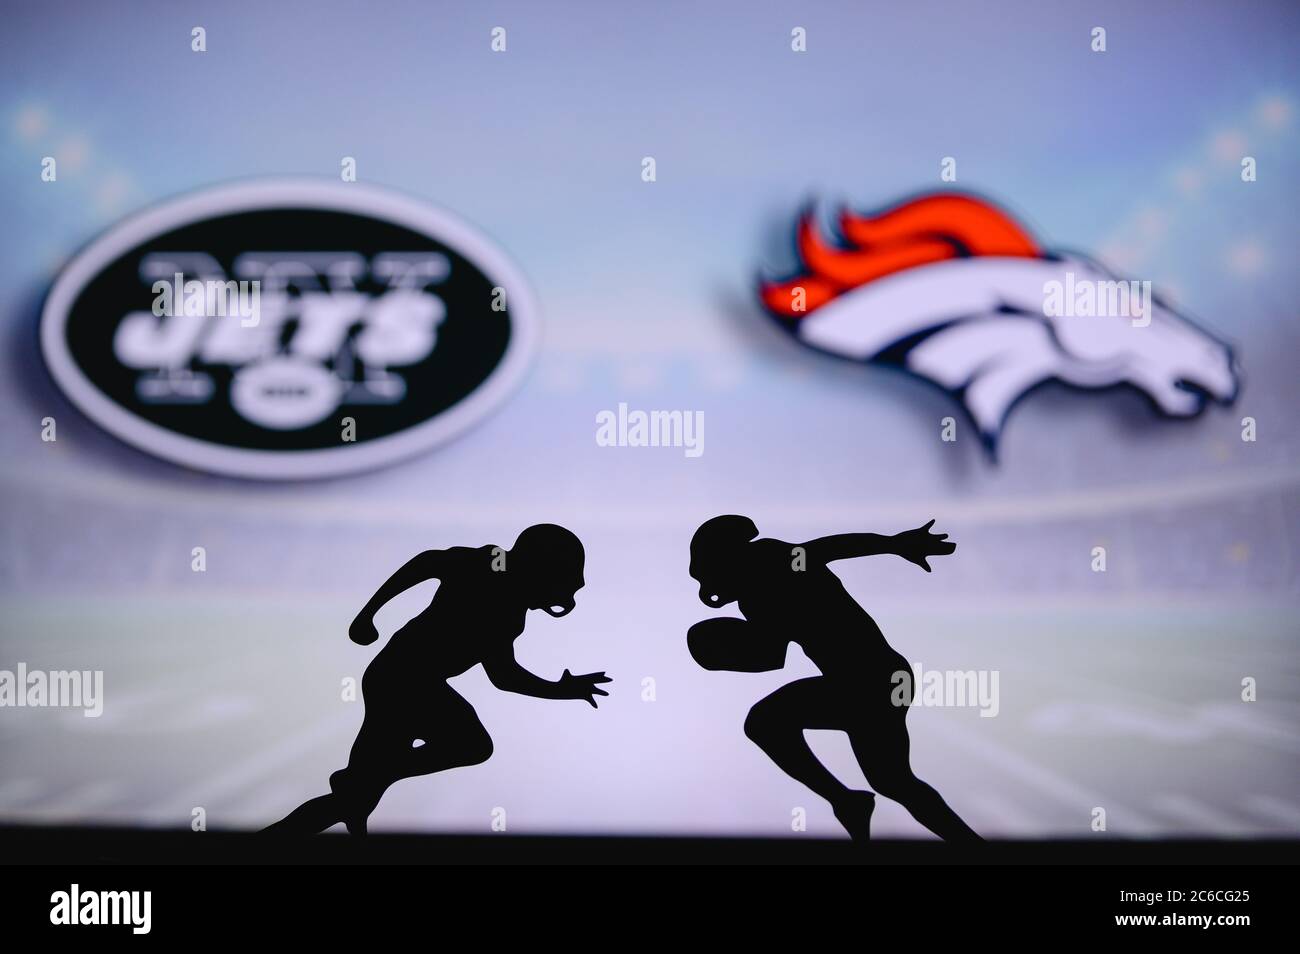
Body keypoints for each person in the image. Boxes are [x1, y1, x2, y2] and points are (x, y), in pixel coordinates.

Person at [266, 524, 610, 836]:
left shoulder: (507, 604)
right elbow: (429, 562)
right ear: (539, 571)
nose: (557, 601)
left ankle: (359, 785)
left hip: (407, 680)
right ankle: (373, 776)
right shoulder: (490, 570)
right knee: (470, 745)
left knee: (353, 800)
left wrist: (560, 690)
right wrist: (368, 613)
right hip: (403, 681)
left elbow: (504, 675)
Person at [687, 515, 980, 842]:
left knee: (764, 722)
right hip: (876, 678)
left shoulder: (771, 563)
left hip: (866, 680)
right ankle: (964, 842)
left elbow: (828, 548)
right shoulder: (756, 594)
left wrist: (893, 543)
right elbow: (771, 655)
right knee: (893, 782)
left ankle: (846, 801)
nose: (707, 590)